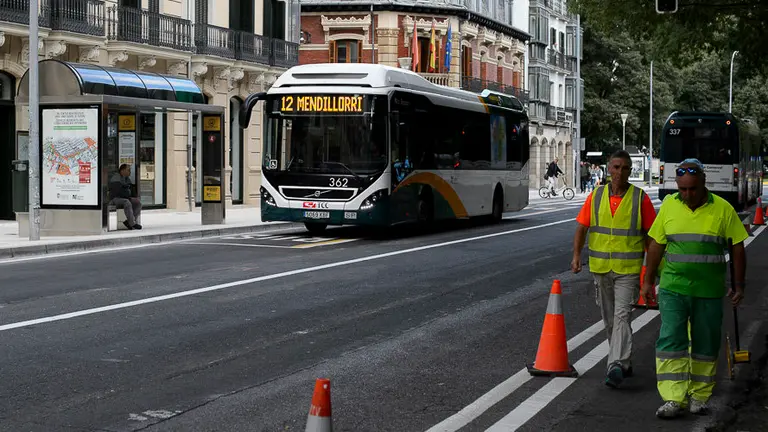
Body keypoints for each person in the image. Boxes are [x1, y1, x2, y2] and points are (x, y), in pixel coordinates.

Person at [642, 158, 748, 419]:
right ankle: (672, 397)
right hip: (673, 287)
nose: (687, 195)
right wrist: (647, 281)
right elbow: (656, 244)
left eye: (692, 189)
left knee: (705, 344)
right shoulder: (669, 207)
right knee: (671, 341)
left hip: (708, 291)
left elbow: (737, 247)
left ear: (704, 184)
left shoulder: (723, 209)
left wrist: (738, 285)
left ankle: (699, 396)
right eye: (682, 189)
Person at [571, 149, 657, 388]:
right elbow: (581, 228)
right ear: (609, 168)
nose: (620, 172)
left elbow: (652, 238)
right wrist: (577, 256)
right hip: (601, 268)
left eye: (625, 168)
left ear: (630, 171)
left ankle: (616, 364)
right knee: (609, 319)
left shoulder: (640, 199)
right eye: (616, 167)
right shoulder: (596, 196)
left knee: (621, 316)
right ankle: (624, 362)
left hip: (628, 270)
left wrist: (650, 272)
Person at [109, 164, 143, 230]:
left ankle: (129, 221)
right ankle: (132, 224)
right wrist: (127, 192)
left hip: (125, 197)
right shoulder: (116, 178)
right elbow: (117, 192)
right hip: (115, 198)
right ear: (122, 170)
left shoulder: (127, 179)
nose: (130, 172)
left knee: (138, 203)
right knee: (127, 202)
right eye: (128, 170)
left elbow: (131, 190)